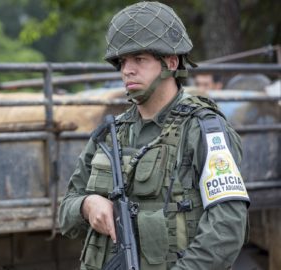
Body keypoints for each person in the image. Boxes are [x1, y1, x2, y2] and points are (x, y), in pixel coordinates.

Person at [59, 2, 250, 270]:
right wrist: (87, 205)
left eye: (139, 59)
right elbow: (65, 211)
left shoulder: (203, 129)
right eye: (122, 61)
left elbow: (227, 228)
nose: (127, 70)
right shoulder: (109, 135)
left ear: (171, 62)